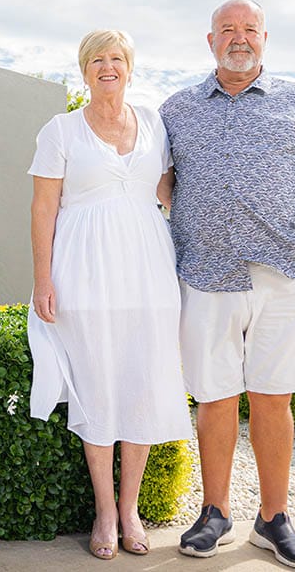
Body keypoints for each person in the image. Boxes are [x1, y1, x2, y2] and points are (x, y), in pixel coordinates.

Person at [158, 0, 295, 569]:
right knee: (214, 396)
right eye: (228, 30)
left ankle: (273, 520)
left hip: (288, 276)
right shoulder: (177, 108)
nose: (238, 38)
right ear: (210, 41)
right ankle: (215, 513)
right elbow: (161, 181)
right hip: (204, 272)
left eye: (248, 29)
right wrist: (195, 222)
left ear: (265, 38)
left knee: (274, 396)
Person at [28, 29, 194, 561]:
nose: (107, 66)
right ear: (83, 71)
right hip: (85, 270)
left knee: (142, 384)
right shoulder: (60, 130)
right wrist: (42, 278)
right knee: (97, 384)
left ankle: (130, 510)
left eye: (116, 58)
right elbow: (42, 209)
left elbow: (169, 190)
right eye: (96, 59)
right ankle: (104, 511)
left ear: (130, 67)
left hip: (148, 270)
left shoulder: (154, 123)